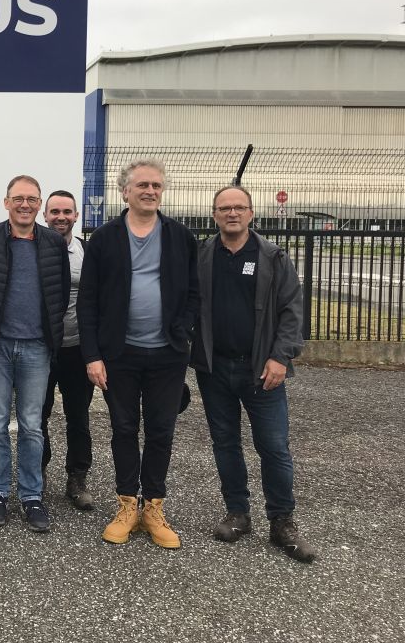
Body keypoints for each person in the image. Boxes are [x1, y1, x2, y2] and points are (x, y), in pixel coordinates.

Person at [77, 159, 198, 549]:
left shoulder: (180, 237)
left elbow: (194, 293)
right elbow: (88, 301)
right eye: (142, 184)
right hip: (119, 355)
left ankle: (154, 509)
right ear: (124, 191)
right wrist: (93, 356)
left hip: (167, 355)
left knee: (162, 430)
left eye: (156, 185)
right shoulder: (105, 238)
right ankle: (127, 505)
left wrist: (182, 330)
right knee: (124, 430)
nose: (150, 190)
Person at [191, 186, 315, 563]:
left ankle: (282, 521)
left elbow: (292, 310)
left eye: (238, 207)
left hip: (261, 368)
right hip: (215, 369)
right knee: (225, 443)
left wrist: (280, 357)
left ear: (251, 213)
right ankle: (238, 513)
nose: (232, 213)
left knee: (273, 446)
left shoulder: (272, 257)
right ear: (214, 215)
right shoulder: (203, 256)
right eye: (224, 208)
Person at [0, 175, 68, 533]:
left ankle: (31, 496)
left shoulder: (53, 242)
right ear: (6, 202)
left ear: (39, 205)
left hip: (37, 348)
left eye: (32, 199)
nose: (25, 205)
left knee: (32, 425)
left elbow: (59, 293)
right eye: (18, 198)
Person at [40, 190, 96, 510]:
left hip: (77, 348)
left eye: (67, 212)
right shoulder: (34, 250)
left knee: (78, 417)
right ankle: (39, 471)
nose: (60, 217)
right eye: (54, 211)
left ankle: (77, 477)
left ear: (76, 216)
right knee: (38, 416)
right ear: (45, 216)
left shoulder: (87, 253)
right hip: (42, 349)